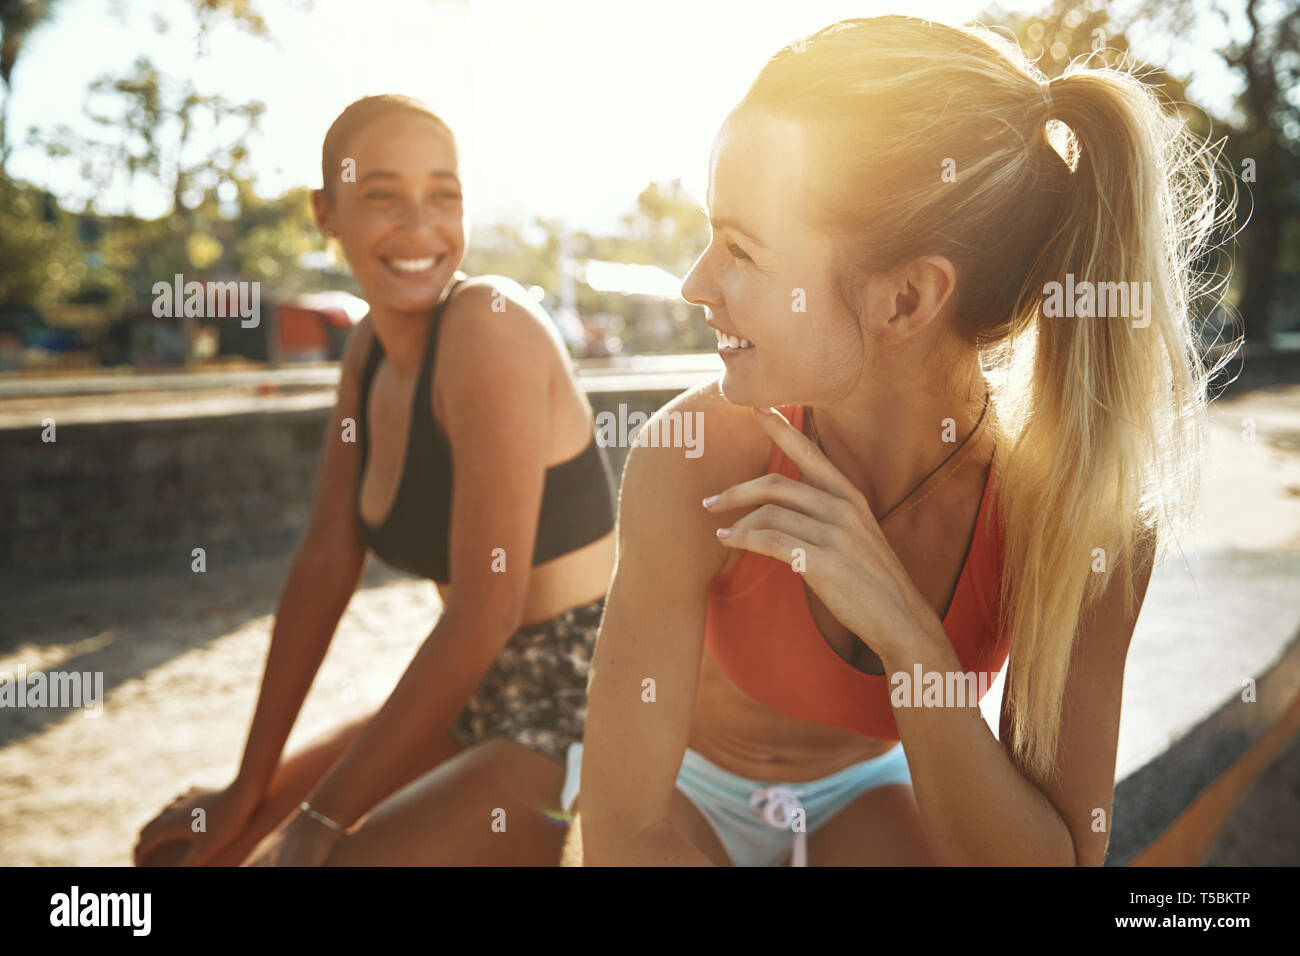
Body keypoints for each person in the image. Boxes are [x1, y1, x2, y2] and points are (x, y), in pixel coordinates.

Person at [562, 16, 1232, 866]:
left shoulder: (1079, 521)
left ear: (906, 301)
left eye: (740, 248)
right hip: (684, 788)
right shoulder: (696, 453)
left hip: (865, 796)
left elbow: (1055, 860)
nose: (697, 283)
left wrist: (912, 640)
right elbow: (625, 831)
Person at [134, 94, 616, 866]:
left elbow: (487, 610)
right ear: (327, 213)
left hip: (578, 704)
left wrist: (321, 819)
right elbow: (328, 561)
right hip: (472, 692)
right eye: (383, 196)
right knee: (189, 855)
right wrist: (245, 788)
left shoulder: (491, 326)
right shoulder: (366, 351)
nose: (421, 226)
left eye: (444, 195)